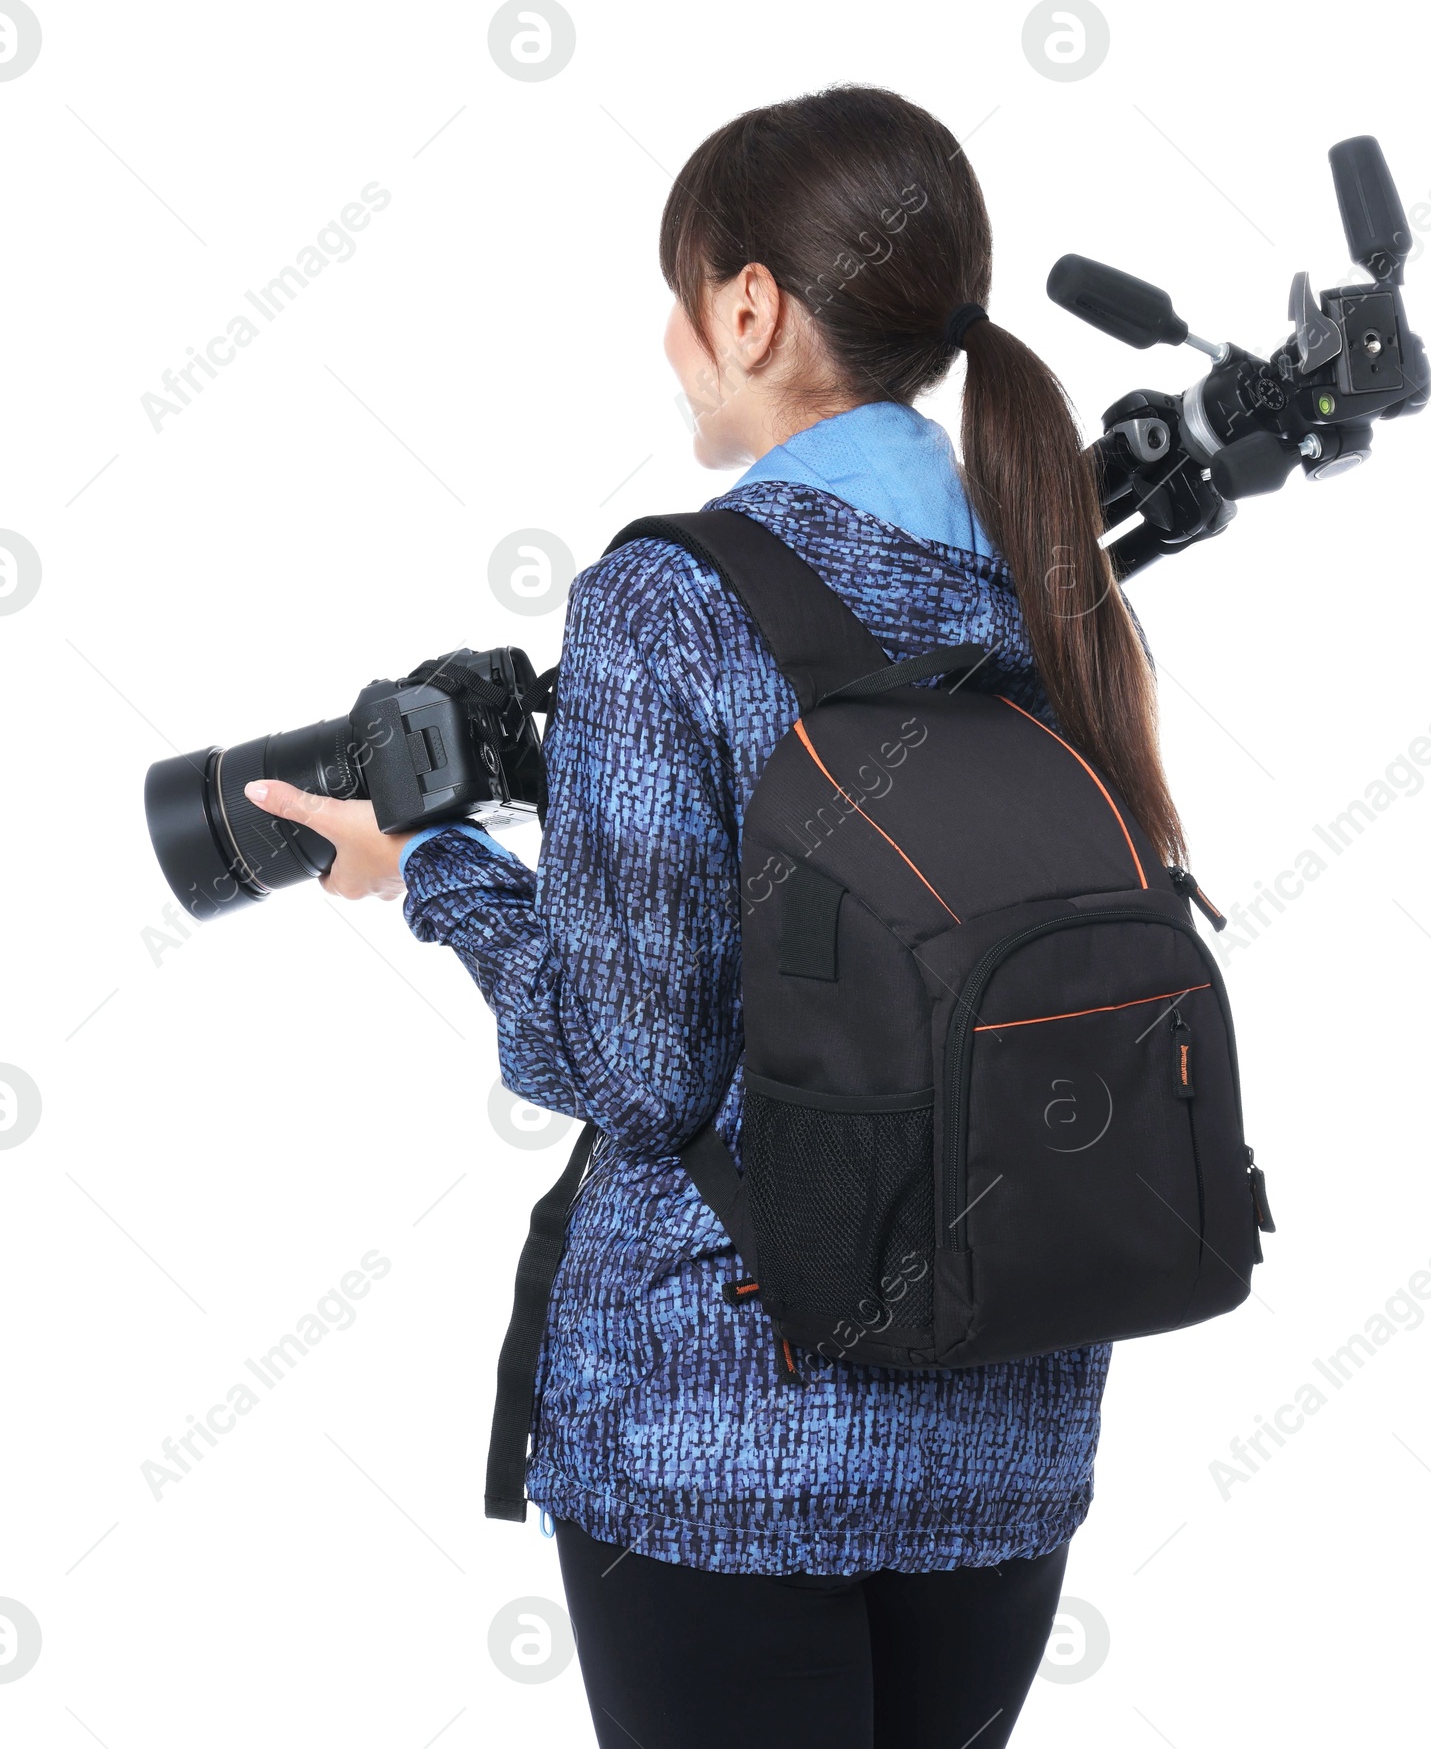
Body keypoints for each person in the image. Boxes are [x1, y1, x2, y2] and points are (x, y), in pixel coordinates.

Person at [243, 84, 1187, 1749]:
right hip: (1014, 1425)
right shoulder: (1051, 586)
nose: (672, 336)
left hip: (713, 1439)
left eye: (682, 293)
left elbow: (632, 1063)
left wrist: (430, 871)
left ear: (747, 307)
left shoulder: (667, 597)